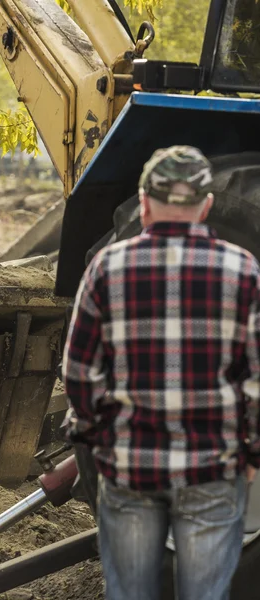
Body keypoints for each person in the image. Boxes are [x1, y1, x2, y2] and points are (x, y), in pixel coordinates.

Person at [62, 145, 260, 600]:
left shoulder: (105, 269)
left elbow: (79, 373)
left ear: (144, 204)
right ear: (208, 206)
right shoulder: (244, 271)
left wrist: (93, 435)